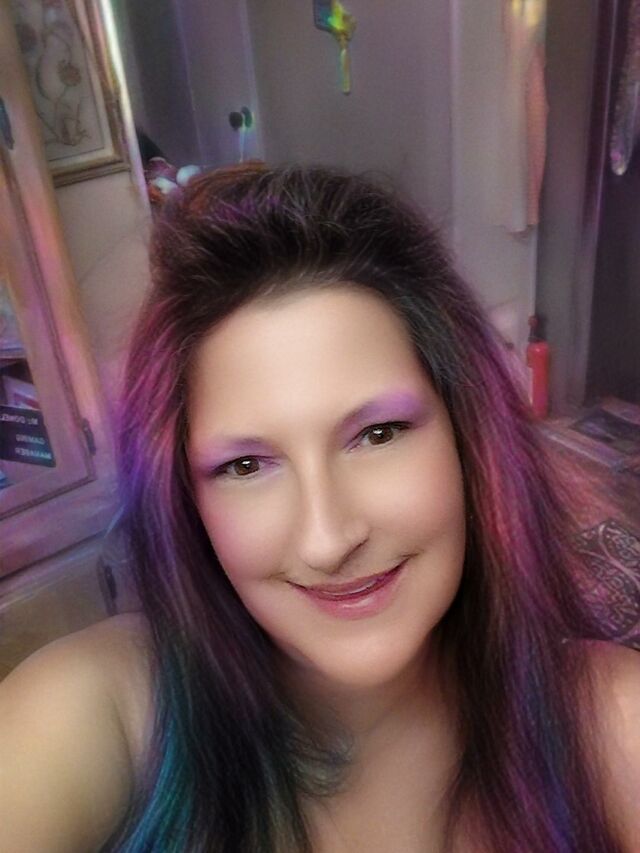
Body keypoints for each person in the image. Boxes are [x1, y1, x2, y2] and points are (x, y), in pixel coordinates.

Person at [0, 163, 638, 853]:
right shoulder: (101, 712)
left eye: (378, 434)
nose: (327, 539)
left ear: (468, 437)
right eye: (245, 466)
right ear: (188, 502)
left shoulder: (609, 723)